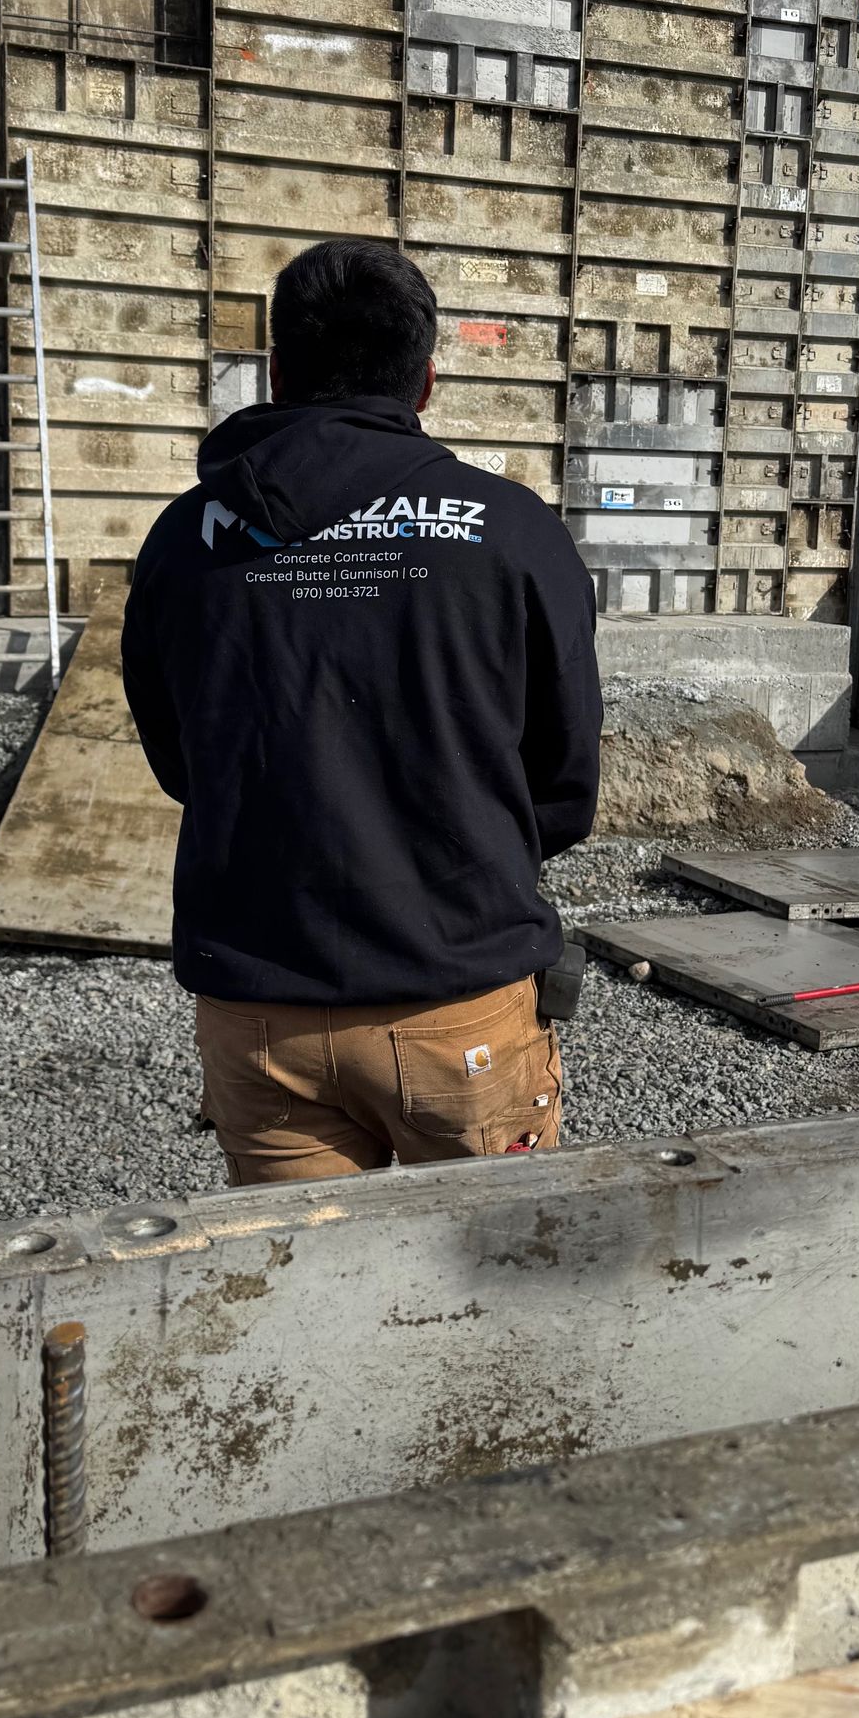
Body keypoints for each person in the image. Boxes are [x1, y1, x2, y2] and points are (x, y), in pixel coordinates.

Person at [122, 237, 601, 1185]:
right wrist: (454, 846)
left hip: (261, 1003)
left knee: (303, 1298)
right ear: (424, 381)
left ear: (276, 372)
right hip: (457, 995)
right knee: (489, 1294)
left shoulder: (188, 540)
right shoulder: (509, 531)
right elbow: (562, 776)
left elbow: (182, 758)